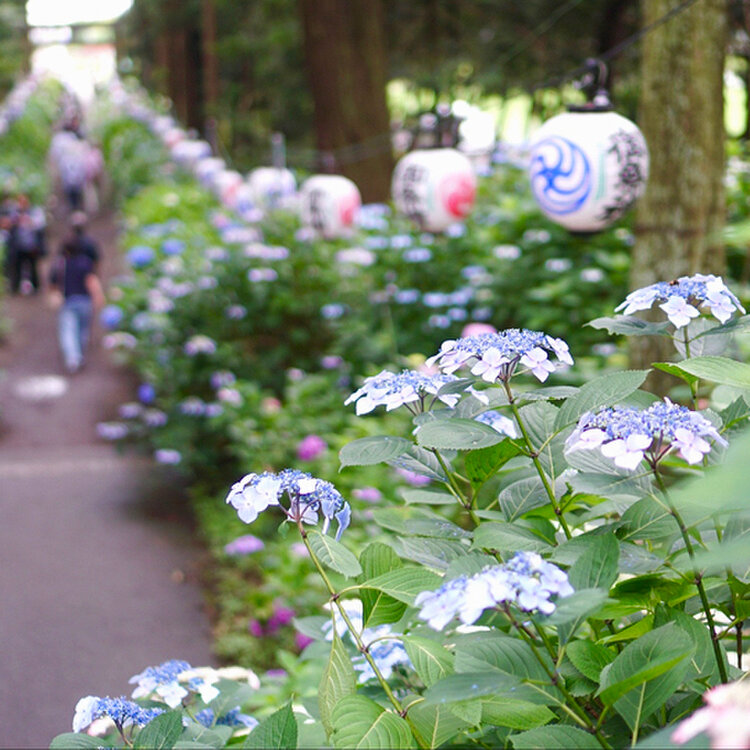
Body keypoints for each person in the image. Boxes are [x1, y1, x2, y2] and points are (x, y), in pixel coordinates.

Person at [48, 218, 105, 373]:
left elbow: (53, 283)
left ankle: (73, 358)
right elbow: (91, 281)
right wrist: (98, 297)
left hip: (68, 301)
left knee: (68, 330)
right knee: (83, 330)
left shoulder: (61, 264)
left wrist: (54, 296)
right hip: (85, 301)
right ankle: (80, 355)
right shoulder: (85, 263)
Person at [7, 194, 46, 294]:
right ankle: (15, 288)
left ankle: (36, 287)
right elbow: (8, 223)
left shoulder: (34, 211)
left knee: (33, 267)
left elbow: (40, 224)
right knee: (17, 267)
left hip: (31, 245)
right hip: (19, 246)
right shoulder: (15, 212)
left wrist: (28, 220)